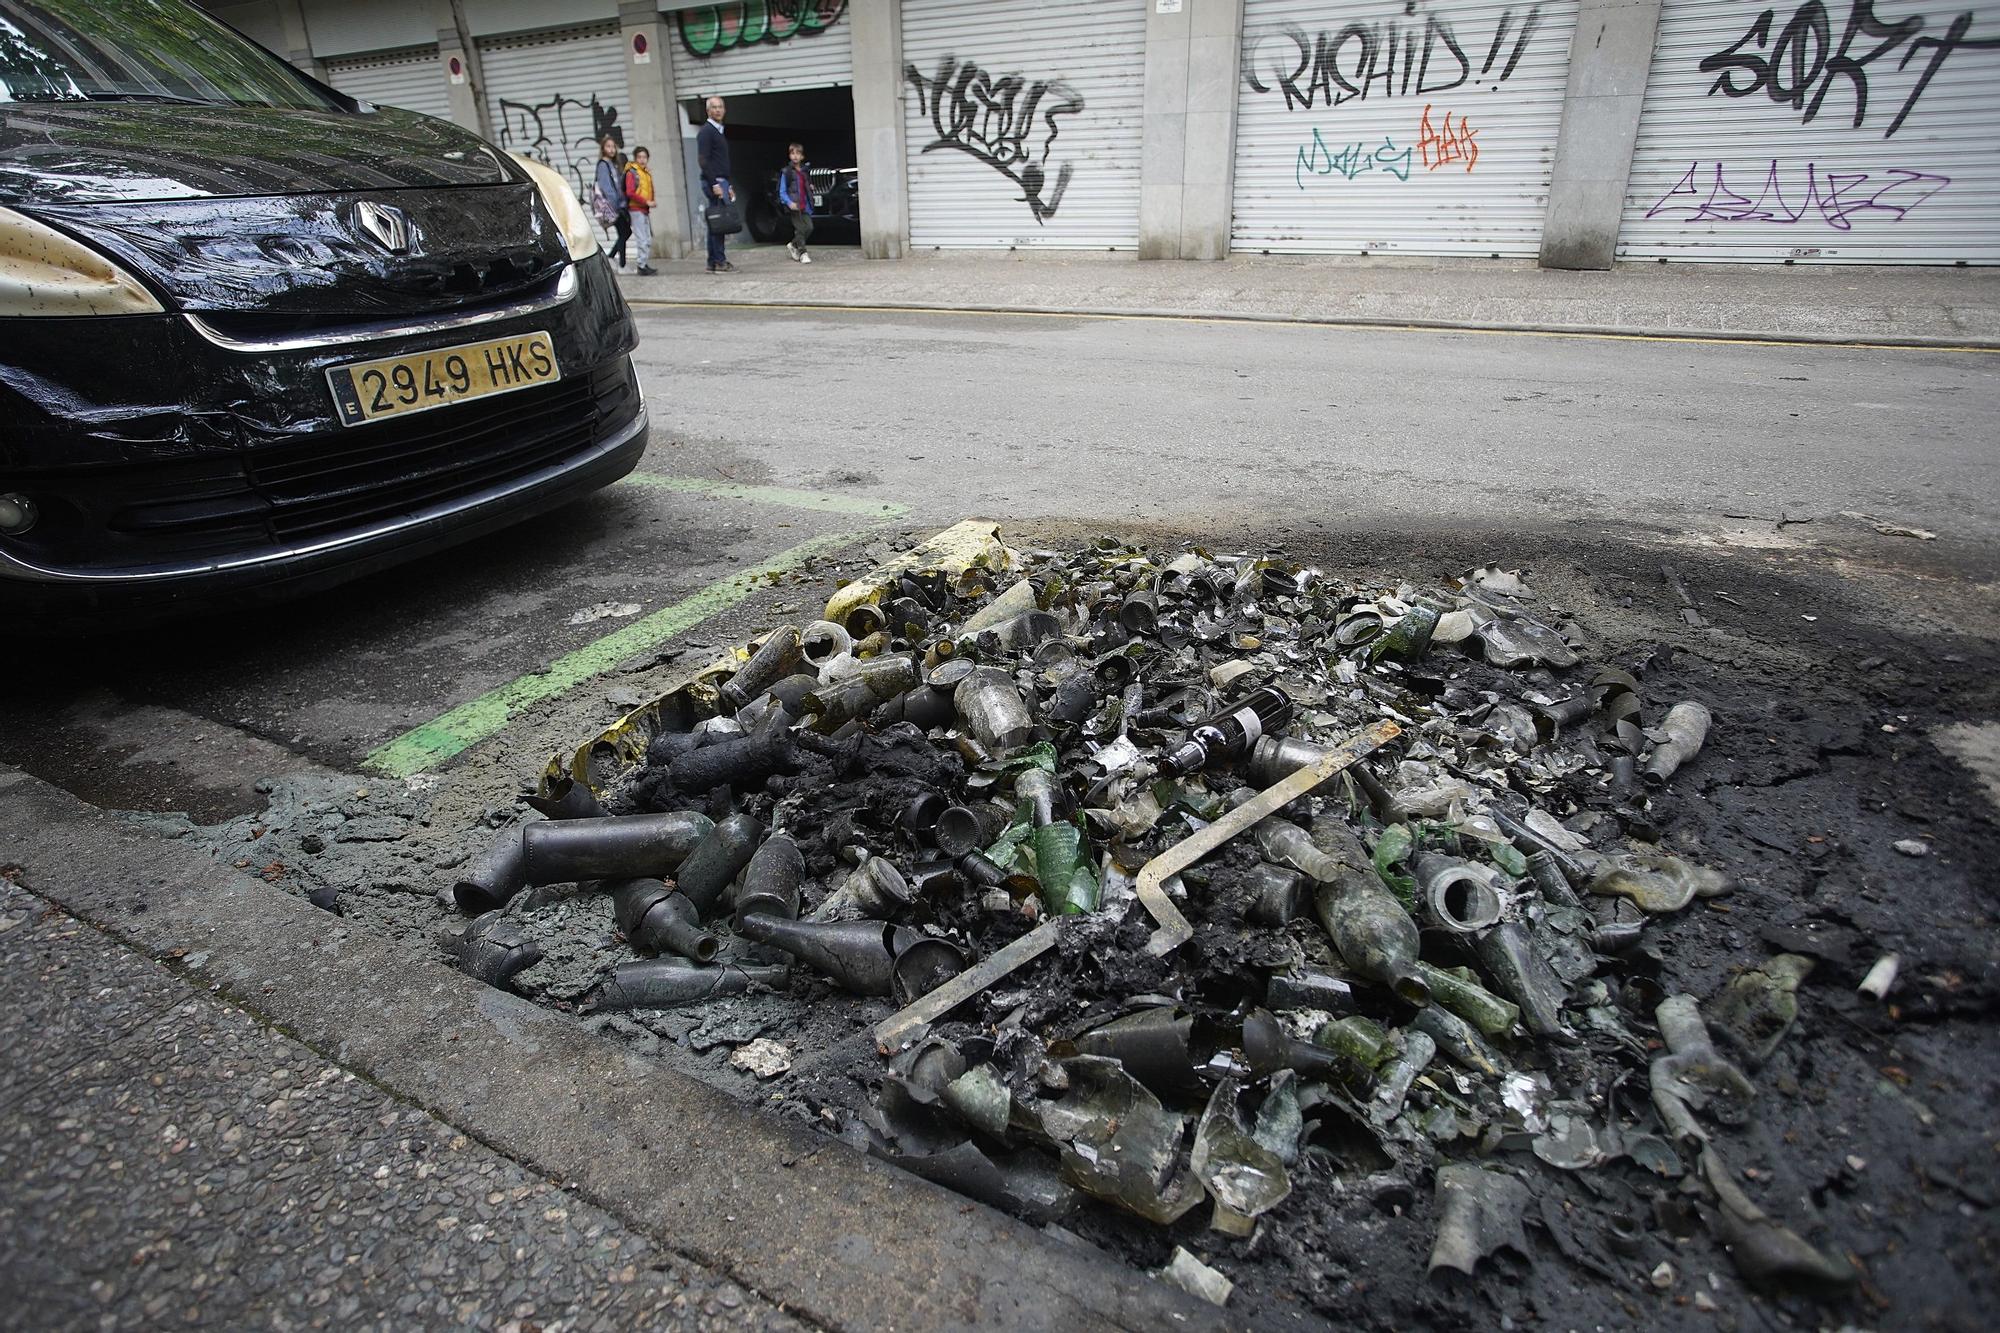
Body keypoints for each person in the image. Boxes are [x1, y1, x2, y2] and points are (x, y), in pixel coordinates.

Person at [696, 94, 735, 274]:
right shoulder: (706, 132)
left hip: (722, 181)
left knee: (716, 222)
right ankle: (719, 261)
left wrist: (729, 185)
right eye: (714, 107)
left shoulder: (718, 130)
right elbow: (703, 160)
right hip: (714, 182)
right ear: (708, 110)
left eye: (720, 107)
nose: (718, 110)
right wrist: (714, 184)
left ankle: (712, 262)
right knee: (718, 222)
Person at [593, 134, 630, 268]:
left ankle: (611, 257)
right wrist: (616, 206)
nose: (612, 149)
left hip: (619, 204)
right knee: (624, 232)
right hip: (613, 206)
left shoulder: (613, 164)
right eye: (608, 146)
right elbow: (606, 187)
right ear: (603, 149)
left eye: (613, 146)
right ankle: (622, 265)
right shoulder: (603, 165)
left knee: (625, 232)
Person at [776, 141, 814, 265]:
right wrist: (788, 202)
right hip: (794, 205)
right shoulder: (786, 172)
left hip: (805, 205)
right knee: (800, 229)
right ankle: (803, 253)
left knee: (809, 227)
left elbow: (806, 186)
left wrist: (811, 188)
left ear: (802, 156)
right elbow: (782, 191)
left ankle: (793, 244)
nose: (795, 156)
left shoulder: (804, 171)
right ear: (789, 156)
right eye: (792, 153)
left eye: (798, 153)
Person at [623, 146, 657, 276]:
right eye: (639, 157)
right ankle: (641, 265)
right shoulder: (633, 173)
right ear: (636, 158)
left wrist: (650, 202)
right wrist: (646, 201)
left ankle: (643, 263)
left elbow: (649, 189)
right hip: (636, 209)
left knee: (647, 238)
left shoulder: (645, 173)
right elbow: (630, 192)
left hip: (644, 210)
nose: (642, 160)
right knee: (642, 239)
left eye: (644, 157)